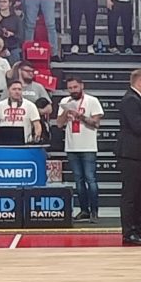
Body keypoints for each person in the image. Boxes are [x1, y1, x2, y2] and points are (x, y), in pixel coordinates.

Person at [115, 68, 141, 245]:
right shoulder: (130, 99)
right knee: (130, 195)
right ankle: (129, 232)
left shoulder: (140, 98)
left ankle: (138, 229)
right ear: (139, 82)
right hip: (130, 153)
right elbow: (138, 126)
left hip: (140, 153)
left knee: (139, 194)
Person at [56, 77, 104, 220]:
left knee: (90, 179)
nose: (73, 90)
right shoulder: (65, 101)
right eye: (70, 88)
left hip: (88, 146)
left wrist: (80, 116)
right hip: (71, 146)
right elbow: (59, 124)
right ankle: (84, 210)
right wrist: (66, 112)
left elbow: (96, 123)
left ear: (82, 86)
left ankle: (94, 211)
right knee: (78, 180)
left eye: (75, 87)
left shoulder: (92, 101)